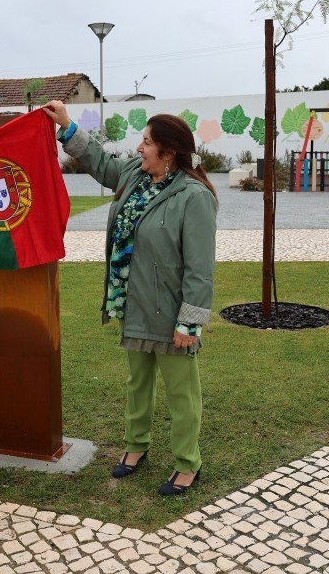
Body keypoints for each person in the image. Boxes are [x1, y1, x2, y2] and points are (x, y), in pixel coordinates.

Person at [43, 100, 218, 496]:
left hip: (171, 311)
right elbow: (100, 162)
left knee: (181, 391)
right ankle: (137, 446)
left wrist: (189, 321)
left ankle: (187, 463)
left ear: (169, 152)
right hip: (133, 302)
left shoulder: (194, 196)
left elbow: (199, 266)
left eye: (146, 142)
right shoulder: (135, 176)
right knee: (137, 381)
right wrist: (68, 125)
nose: (139, 148)